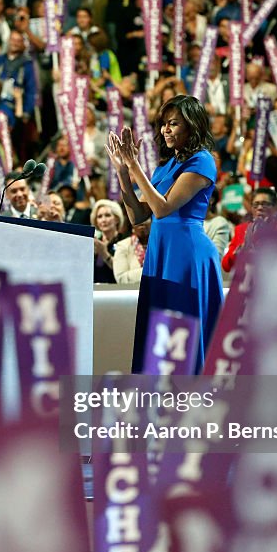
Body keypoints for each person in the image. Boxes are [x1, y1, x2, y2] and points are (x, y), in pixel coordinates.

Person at [110, 95, 223, 374]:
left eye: (174, 123)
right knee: (160, 337)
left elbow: (162, 209)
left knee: (183, 335)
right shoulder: (165, 166)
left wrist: (135, 166)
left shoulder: (202, 161)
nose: (166, 130)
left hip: (186, 257)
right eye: (164, 124)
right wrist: (124, 173)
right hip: (161, 254)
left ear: (191, 126)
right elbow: (138, 217)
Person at [222, 187, 277, 272]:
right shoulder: (241, 229)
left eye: (264, 204)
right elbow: (226, 266)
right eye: (255, 205)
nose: (259, 208)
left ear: (274, 207)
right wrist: (239, 250)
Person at [91, 199, 127, 284]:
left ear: (117, 219)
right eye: (99, 217)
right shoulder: (93, 243)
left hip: (116, 290)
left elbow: (123, 272)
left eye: (107, 215)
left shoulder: (125, 241)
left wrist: (104, 253)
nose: (103, 220)